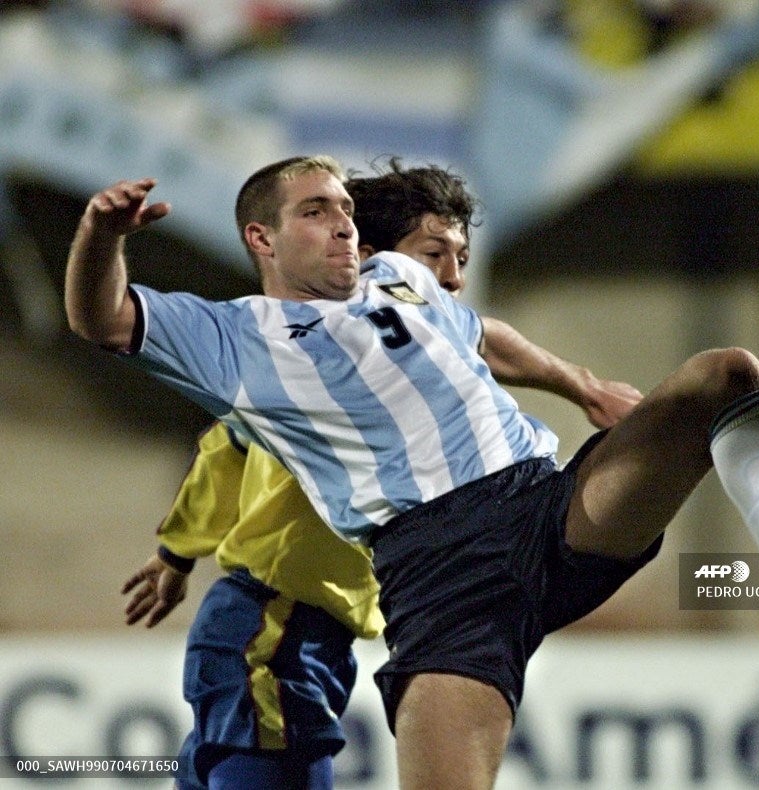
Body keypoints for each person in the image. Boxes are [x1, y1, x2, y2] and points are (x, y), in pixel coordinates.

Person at [65, 155, 759, 790]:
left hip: (548, 509)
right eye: (316, 211)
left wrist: (576, 384)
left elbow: (483, 334)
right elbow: (100, 317)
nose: (341, 222)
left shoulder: (400, 282)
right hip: (440, 578)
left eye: (345, 208)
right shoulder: (234, 337)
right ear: (261, 239)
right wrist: (103, 234)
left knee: (724, 377)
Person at [117, 159, 642, 790]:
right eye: (432, 255)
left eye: (460, 256)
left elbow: (482, 338)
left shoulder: (416, 366)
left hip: (311, 633)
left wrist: (581, 385)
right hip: (274, 627)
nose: (452, 277)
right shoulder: (305, 367)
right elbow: (222, 454)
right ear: (370, 260)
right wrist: (177, 554)